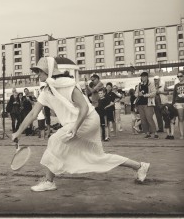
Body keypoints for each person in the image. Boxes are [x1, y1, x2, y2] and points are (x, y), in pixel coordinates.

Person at [12, 56, 150, 192]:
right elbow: (32, 114)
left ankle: (49, 181)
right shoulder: (46, 91)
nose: (37, 75)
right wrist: (18, 132)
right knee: (96, 157)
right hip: (74, 124)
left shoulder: (68, 84)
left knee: (54, 140)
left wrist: (75, 127)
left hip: (87, 120)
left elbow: (84, 107)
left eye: (40, 71)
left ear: (49, 71)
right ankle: (139, 166)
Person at [135, 72, 157, 139]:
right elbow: (135, 94)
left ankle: (155, 133)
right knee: (143, 119)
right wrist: (139, 94)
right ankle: (147, 133)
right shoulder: (139, 85)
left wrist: (145, 95)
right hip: (140, 104)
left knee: (149, 118)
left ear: (147, 77)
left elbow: (154, 93)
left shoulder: (151, 84)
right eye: (142, 76)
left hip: (148, 103)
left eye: (144, 76)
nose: (143, 78)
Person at [172, 70, 184, 139]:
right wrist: (173, 103)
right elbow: (174, 95)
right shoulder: (176, 85)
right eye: (178, 76)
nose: (179, 77)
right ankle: (182, 134)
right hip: (178, 103)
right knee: (180, 118)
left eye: (181, 76)